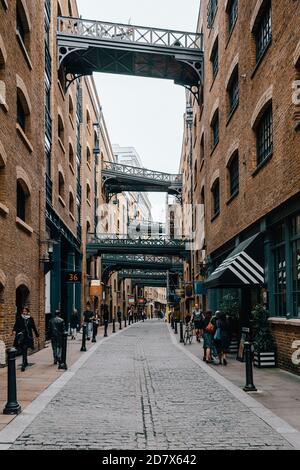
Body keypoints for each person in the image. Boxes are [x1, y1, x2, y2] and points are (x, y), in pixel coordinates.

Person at [13, 307, 39, 372]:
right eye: (23, 311)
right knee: (23, 349)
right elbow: (16, 325)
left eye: (25, 311)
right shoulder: (19, 318)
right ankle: (25, 362)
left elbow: (33, 327)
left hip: (28, 337)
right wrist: (14, 330)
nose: (24, 312)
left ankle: (23, 364)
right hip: (21, 336)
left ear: (28, 312)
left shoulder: (30, 319)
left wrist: (37, 335)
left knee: (24, 349)